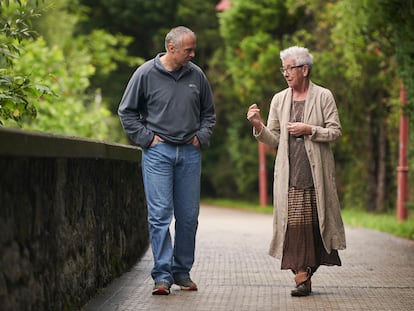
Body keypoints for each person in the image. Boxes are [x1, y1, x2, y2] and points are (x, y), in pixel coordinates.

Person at [118, 26, 216, 295]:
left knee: (188, 217)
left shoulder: (196, 75)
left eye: (193, 49)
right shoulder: (145, 74)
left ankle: (182, 272)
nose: (193, 54)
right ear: (171, 48)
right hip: (158, 153)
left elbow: (209, 114)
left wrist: (201, 137)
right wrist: (147, 139)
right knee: (160, 216)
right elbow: (126, 112)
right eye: (188, 50)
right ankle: (162, 276)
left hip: (189, 153)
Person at [246, 46, 346, 297]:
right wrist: (258, 125)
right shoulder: (280, 99)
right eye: (284, 69)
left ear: (305, 69)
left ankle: (306, 276)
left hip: (317, 177)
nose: (286, 74)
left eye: (289, 68)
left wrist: (310, 130)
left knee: (315, 230)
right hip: (289, 178)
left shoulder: (324, 96)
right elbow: (274, 139)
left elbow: (335, 131)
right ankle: (301, 278)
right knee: (292, 230)